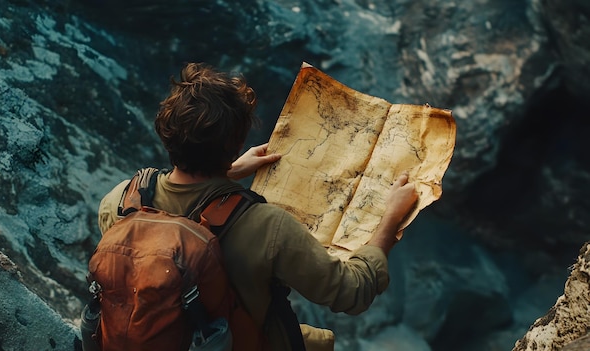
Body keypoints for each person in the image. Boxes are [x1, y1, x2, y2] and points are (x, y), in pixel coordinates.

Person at [97, 62, 418, 351]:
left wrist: (228, 169)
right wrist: (390, 219)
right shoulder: (267, 227)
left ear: (167, 134)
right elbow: (352, 292)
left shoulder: (122, 201)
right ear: (235, 142)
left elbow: (169, 222)